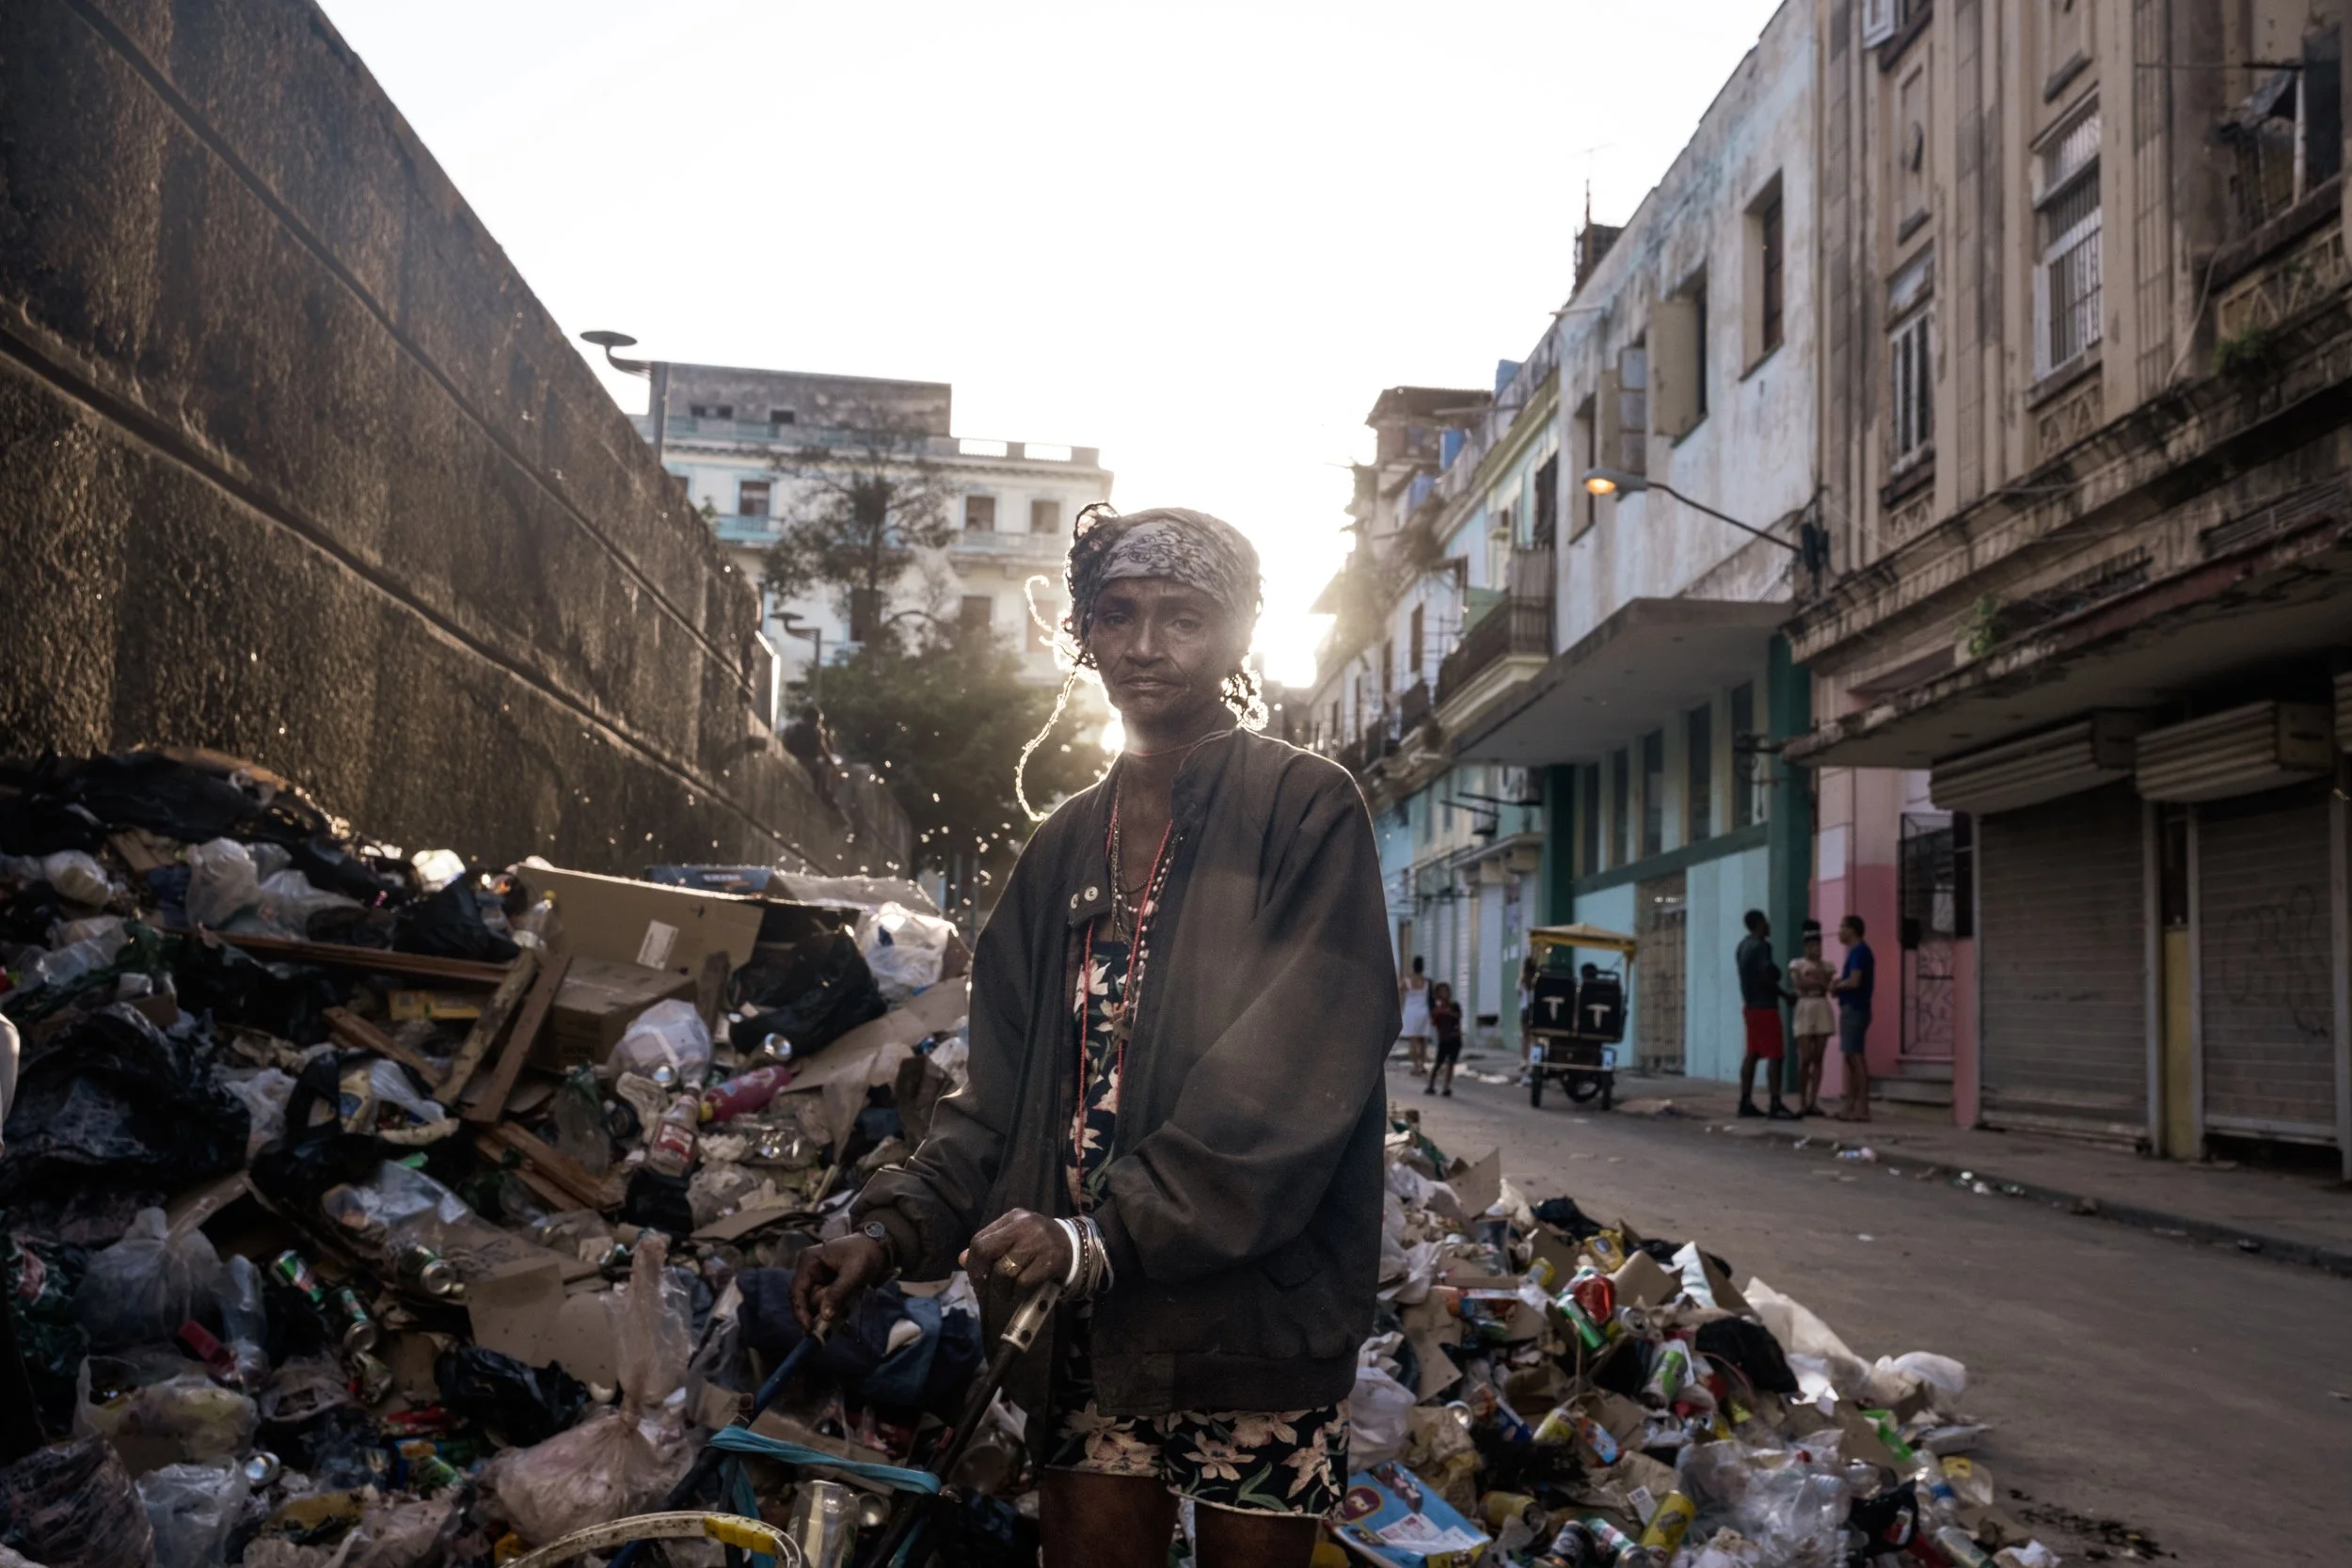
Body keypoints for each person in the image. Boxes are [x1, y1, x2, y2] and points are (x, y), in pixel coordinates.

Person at [789, 505, 1397, 1568]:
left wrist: (1105, 1233)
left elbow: (1297, 1068)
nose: (1146, 645)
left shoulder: (1306, 809)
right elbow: (996, 1102)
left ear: (1238, 634)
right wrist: (888, 1229)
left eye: (1183, 617)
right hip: (1086, 1336)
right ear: (1084, 632)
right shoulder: (1060, 848)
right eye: (1117, 616)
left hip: (1251, 1328)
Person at [1735, 909, 1798, 1119]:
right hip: (1765, 1007)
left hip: (1750, 1006)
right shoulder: (1762, 946)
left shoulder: (1742, 946)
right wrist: (1785, 995)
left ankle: (1745, 1100)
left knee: (1752, 1053)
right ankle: (1775, 1102)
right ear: (1761, 923)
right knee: (1775, 1055)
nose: (1769, 926)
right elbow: (1765, 977)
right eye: (1767, 922)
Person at [1787, 921, 1837, 1118]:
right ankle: (1801, 1100)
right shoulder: (1796, 964)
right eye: (1810, 945)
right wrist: (1819, 980)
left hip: (1821, 1006)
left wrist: (1819, 977)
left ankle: (1813, 1100)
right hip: (1805, 1007)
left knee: (1818, 1057)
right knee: (1805, 1057)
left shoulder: (1827, 966)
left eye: (1817, 945)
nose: (1814, 949)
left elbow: (1830, 988)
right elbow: (1801, 983)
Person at [1834, 913, 1878, 1122]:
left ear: (1852, 930)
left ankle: (1863, 1107)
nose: (1839, 931)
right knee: (1850, 1057)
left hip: (1855, 1008)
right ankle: (1851, 1105)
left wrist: (1836, 985)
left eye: (1842, 927)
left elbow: (1854, 981)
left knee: (1856, 1057)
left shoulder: (1860, 951)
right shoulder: (1854, 952)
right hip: (1851, 1007)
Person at [1425, 981, 1464, 1098]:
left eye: (1446, 991)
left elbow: (1458, 1016)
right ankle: (1431, 1085)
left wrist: (1448, 1012)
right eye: (1442, 992)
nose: (1444, 994)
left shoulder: (1454, 1005)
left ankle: (1446, 1086)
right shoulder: (1436, 1008)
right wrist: (1440, 1012)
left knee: (1451, 1063)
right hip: (1443, 1039)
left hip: (1455, 1038)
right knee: (1438, 1063)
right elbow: (1433, 1022)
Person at [1398, 955, 1433, 1076]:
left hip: (1410, 1012)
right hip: (1423, 1011)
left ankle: (1415, 1066)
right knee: (1423, 1040)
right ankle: (1422, 1065)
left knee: (1412, 1041)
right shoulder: (1427, 981)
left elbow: (1399, 991)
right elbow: (1431, 997)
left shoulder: (1407, 980)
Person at [1515, 954, 1540, 1085]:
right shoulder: (1538, 980)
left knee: (1525, 1038)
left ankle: (1525, 1060)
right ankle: (1534, 1062)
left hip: (1525, 1009)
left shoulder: (1522, 980)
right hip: (1536, 1010)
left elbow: (1518, 993)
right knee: (1535, 1038)